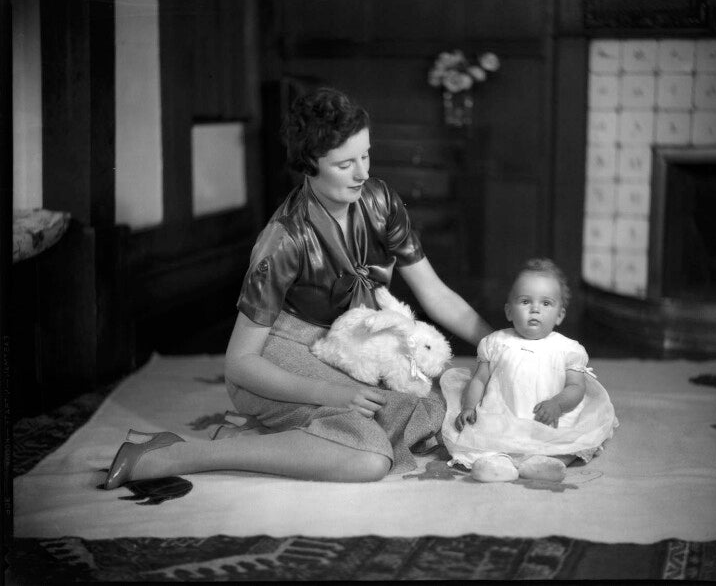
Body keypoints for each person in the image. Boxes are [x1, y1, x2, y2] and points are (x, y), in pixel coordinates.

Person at [103, 87, 493, 488]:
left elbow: (434, 292)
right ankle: (174, 453)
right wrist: (331, 394)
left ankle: (261, 435)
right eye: (345, 164)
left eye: (365, 155)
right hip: (281, 357)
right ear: (309, 164)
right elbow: (240, 363)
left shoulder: (381, 201)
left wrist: (498, 345)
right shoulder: (283, 239)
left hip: (353, 351)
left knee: (434, 410)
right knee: (370, 457)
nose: (362, 173)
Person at [440, 258, 617, 482]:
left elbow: (576, 387)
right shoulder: (495, 343)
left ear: (560, 315)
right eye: (525, 301)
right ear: (509, 311)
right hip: (503, 416)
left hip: (547, 419)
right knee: (486, 441)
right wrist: (469, 406)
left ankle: (543, 463)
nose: (535, 309)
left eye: (546, 303)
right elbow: (479, 380)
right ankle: (499, 464)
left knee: (566, 443)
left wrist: (558, 404)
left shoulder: (568, 349)